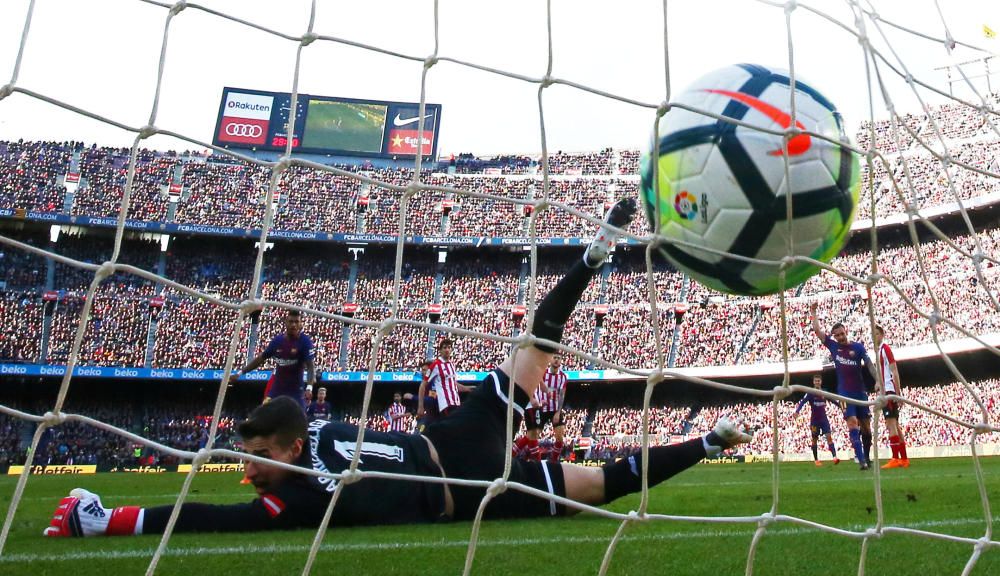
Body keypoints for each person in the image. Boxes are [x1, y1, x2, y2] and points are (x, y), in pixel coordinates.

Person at [43, 198, 751, 537]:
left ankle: (600, 264)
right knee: (592, 459)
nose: (248, 469)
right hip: (463, 462)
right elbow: (216, 506)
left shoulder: (294, 493)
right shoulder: (304, 447)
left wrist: (107, 518)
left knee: (580, 432)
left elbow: (207, 520)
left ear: (293, 447)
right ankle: (597, 267)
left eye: (255, 457)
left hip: (461, 466)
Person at [809, 302, 875, 471]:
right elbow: (817, 331)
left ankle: (866, 456)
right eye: (837, 335)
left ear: (846, 331)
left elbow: (869, 365)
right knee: (852, 424)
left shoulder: (858, 348)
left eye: (842, 333)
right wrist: (813, 312)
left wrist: (878, 381)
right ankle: (861, 461)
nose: (840, 337)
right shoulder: (833, 346)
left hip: (860, 392)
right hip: (844, 393)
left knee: (866, 429)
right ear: (834, 336)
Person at [231, 309, 317, 408]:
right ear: (285, 323)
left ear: (301, 324)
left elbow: (310, 366)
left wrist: (309, 388)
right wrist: (239, 373)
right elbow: (260, 359)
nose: (294, 325)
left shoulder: (305, 342)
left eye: (296, 322)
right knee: (264, 416)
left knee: (299, 420)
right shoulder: (277, 341)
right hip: (277, 390)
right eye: (291, 321)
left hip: (295, 391)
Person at [875, 325, 909, 469]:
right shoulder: (879, 351)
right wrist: (878, 382)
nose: (874, 337)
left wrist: (897, 392)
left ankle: (895, 458)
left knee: (891, 425)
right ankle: (904, 459)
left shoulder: (885, 349)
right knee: (895, 425)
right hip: (886, 391)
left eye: (876, 334)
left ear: (882, 335)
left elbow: (894, 370)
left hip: (889, 392)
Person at [793, 374, 840, 467]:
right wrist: (797, 411)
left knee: (829, 437)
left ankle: (835, 457)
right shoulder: (810, 393)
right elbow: (803, 402)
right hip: (814, 421)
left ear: (821, 382)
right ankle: (816, 460)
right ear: (813, 382)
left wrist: (841, 407)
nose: (817, 382)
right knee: (814, 439)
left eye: (819, 381)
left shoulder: (824, 392)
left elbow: (833, 400)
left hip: (824, 420)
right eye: (816, 381)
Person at [421, 338, 473, 418]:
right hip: (446, 405)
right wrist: (420, 406)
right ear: (440, 350)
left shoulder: (452, 365)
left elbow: (453, 384)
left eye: (449, 347)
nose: (447, 350)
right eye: (444, 347)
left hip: (456, 403)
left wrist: (468, 388)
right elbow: (423, 385)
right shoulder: (436, 365)